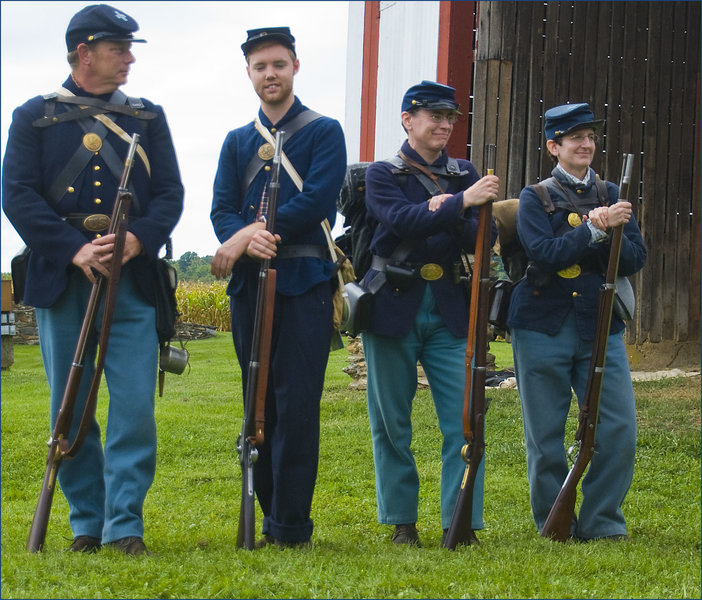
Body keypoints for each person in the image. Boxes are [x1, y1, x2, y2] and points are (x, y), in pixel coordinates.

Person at [2, 5, 184, 554]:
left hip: (131, 281)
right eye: (118, 49)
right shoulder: (34, 116)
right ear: (85, 52)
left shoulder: (146, 118)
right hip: (66, 278)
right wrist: (75, 249)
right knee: (71, 405)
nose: (129, 59)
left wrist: (136, 240)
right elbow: (18, 196)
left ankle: (124, 524)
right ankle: (87, 523)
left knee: (133, 410)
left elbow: (171, 194)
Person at [210, 27, 346, 548]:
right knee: (256, 404)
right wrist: (243, 239)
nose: (271, 74)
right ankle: (265, 514)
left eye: (279, 64)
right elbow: (221, 208)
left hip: (303, 282)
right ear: (249, 73)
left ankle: (291, 526)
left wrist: (252, 233)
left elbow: (317, 202)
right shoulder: (236, 141)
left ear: (295, 67)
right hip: (250, 286)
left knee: (296, 405)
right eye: (261, 66)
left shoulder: (324, 131)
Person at [361, 81, 499, 546]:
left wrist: (450, 206)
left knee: (464, 419)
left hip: (449, 310)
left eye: (450, 118)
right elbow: (402, 221)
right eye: (433, 116)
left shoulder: (464, 172)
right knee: (391, 423)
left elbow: (486, 237)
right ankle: (402, 522)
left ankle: (459, 520)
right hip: (391, 307)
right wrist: (460, 204)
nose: (443, 125)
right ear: (408, 119)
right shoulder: (381, 174)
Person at [507, 103, 647, 540]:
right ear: (554, 146)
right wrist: (593, 229)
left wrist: (609, 231)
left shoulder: (610, 192)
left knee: (619, 429)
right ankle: (555, 523)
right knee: (545, 434)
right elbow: (544, 255)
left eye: (589, 136)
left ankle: (604, 522)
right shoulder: (536, 196)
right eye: (574, 137)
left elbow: (635, 259)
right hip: (541, 324)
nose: (585, 144)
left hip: (600, 326)